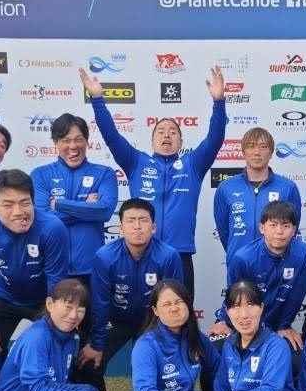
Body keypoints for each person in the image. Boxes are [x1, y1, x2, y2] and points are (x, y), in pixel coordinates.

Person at [81, 66, 226, 291]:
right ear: (151, 141)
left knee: (180, 310)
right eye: (160, 131)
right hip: (141, 253)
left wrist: (219, 102)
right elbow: (111, 136)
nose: (166, 134)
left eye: (173, 132)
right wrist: (97, 99)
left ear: (181, 142)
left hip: (179, 254)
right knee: (141, 310)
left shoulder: (193, 164)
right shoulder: (135, 161)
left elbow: (215, 138)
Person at [0, 169, 69, 352]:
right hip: (1, 297)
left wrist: (54, 326)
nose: (19, 212)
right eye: (8, 205)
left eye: (25, 203)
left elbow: (56, 284)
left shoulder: (52, 228)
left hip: (43, 299)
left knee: (48, 348)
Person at [87, 198, 184, 391]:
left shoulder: (168, 256)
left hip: (152, 323)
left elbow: (174, 303)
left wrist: (170, 340)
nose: (137, 226)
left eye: (143, 220)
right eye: (131, 220)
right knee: (89, 361)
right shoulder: (105, 256)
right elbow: (100, 303)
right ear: (121, 228)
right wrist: (96, 344)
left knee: (161, 367)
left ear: (153, 227)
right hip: (117, 321)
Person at [209, 201, 306, 358]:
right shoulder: (243, 258)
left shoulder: (303, 253)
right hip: (241, 324)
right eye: (273, 225)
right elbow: (234, 298)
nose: (279, 231)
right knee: (214, 350)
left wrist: (284, 326)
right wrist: (224, 321)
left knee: (295, 356)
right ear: (262, 228)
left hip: (278, 325)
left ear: (294, 230)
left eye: (285, 226)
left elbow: (296, 296)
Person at [31, 112, 117, 284]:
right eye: (66, 140)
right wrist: (86, 209)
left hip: (92, 269)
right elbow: (43, 218)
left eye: (79, 139)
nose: (73, 146)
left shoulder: (105, 173)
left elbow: (105, 211)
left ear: (87, 141)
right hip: (52, 268)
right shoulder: (40, 175)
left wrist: (58, 204)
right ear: (56, 143)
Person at [213, 126, 302, 262]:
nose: (257, 152)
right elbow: (223, 230)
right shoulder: (226, 187)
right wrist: (237, 252)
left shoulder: (287, 187)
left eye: (263, 147)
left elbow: (293, 227)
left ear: (271, 153)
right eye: (251, 146)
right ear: (243, 152)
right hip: (239, 262)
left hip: (277, 263)